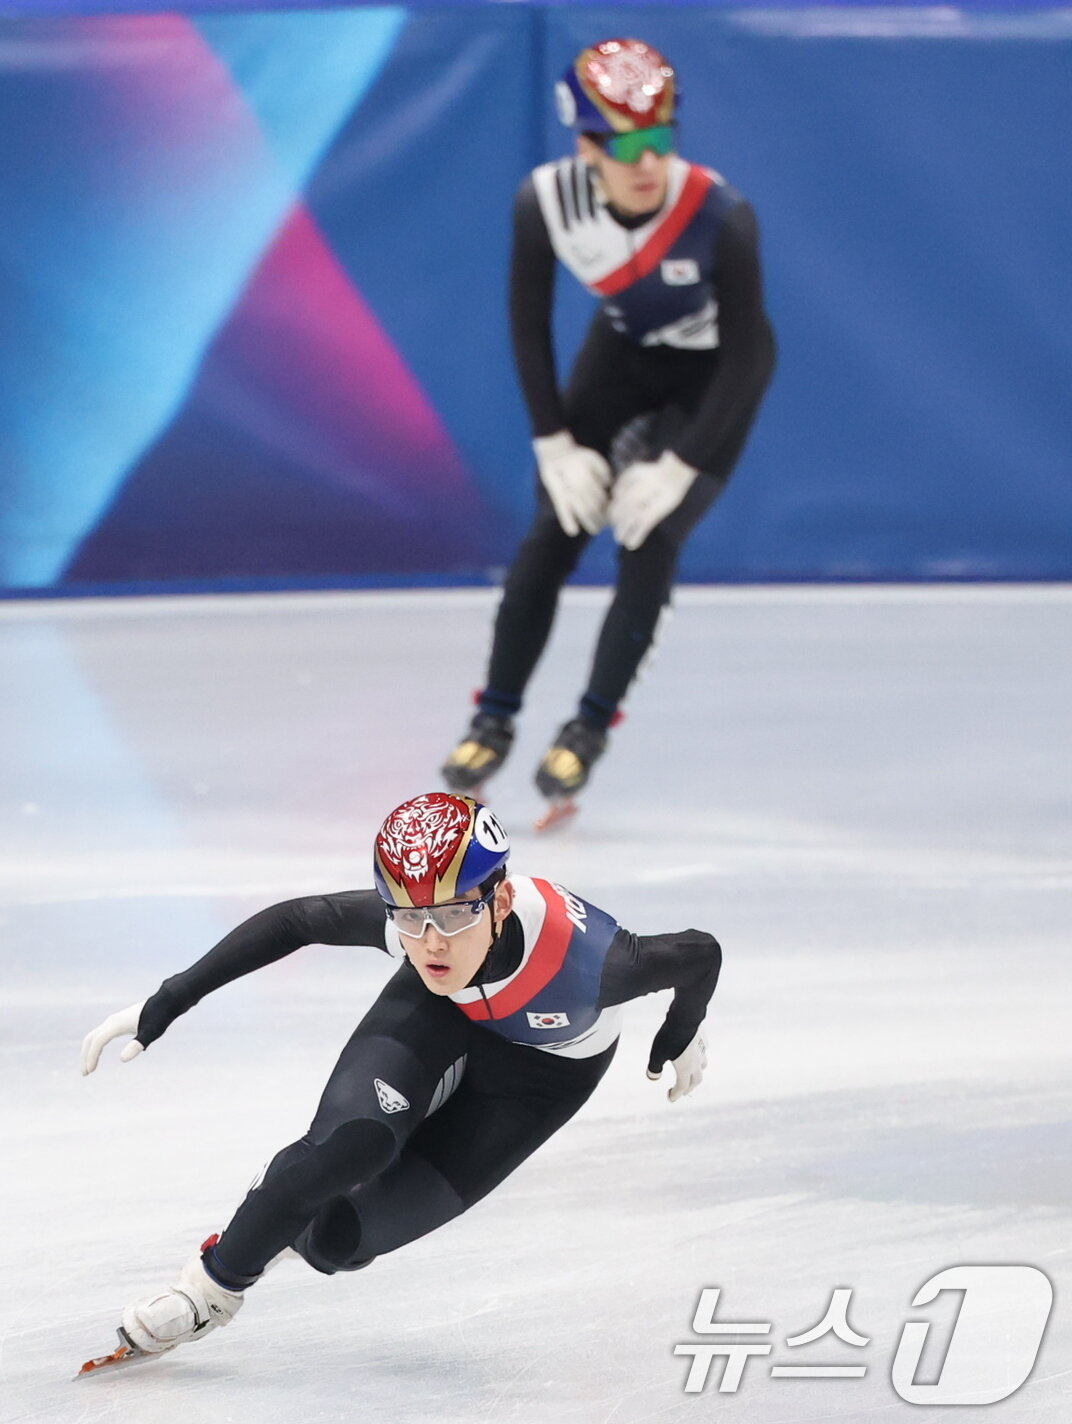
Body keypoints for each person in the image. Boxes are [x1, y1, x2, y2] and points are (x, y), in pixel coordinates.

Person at [80, 792, 720, 1367]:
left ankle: (280, 1212)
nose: (430, 942)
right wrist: (169, 1000)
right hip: (440, 1012)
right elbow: (297, 921)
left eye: (450, 917)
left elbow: (699, 953)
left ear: (499, 901)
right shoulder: (421, 931)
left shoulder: (597, 965)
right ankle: (208, 1291)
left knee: (338, 1240)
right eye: (408, 919)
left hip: (540, 1076)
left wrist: (682, 1028)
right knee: (345, 1149)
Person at [441, 37, 775, 809]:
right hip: (620, 355)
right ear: (587, 146)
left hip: (715, 376)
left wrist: (682, 463)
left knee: (645, 536)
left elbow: (750, 355)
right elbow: (528, 328)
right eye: (627, 145)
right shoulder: (544, 202)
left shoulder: (724, 219)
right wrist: (553, 440)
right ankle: (492, 719)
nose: (648, 162)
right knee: (554, 530)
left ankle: (589, 727)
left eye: (661, 138)